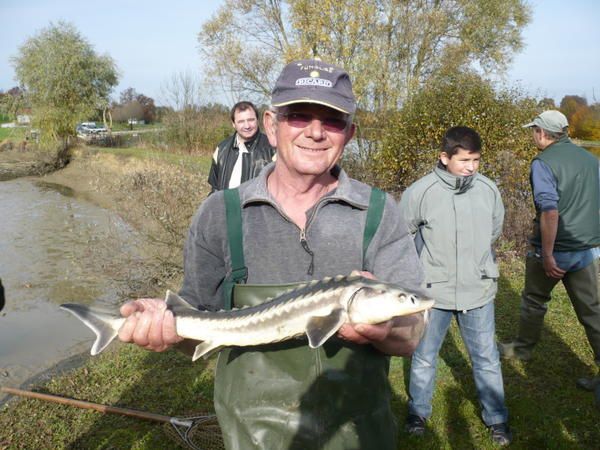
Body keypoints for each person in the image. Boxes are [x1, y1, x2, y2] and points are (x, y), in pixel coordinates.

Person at [117, 59, 427, 449]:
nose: (315, 132)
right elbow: (195, 316)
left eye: (332, 120)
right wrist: (164, 327)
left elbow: (414, 330)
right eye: (299, 115)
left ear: (350, 133)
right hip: (254, 434)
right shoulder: (221, 213)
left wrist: (385, 329)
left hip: (356, 433)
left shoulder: (379, 211)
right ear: (270, 125)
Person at [399, 126, 511, 445]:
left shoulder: (488, 189)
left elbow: (494, 229)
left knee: (486, 357)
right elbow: (401, 234)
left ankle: (497, 419)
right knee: (423, 356)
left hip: (478, 290)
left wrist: (477, 264)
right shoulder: (420, 192)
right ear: (444, 157)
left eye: (476, 160)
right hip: (433, 292)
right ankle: (418, 413)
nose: (471, 167)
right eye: (464, 160)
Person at [498, 110, 600, 399]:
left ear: (543, 133)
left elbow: (550, 210)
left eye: (534, 131)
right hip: (587, 249)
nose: (533, 136)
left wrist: (548, 254)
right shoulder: (591, 161)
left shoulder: (543, 163)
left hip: (559, 248)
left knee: (534, 299)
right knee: (593, 312)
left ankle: (523, 349)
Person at [207, 101, 275, 193]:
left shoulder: (273, 148)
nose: (247, 126)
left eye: (251, 120)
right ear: (233, 124)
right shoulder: (221, 149)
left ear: (257, 120)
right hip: (226, 207)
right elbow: (214, 190)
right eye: (241, 121)